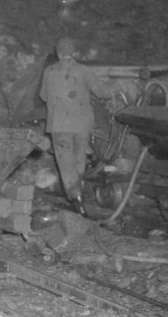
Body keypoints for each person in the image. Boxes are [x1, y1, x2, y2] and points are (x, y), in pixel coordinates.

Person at [39, 37, 114, 217]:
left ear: (58, 53)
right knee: (79, 159)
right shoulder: (83, 71)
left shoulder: (49, 72)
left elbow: (43, 95)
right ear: (73, 52)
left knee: (66, 163)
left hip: (59, 125)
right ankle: (78, 193)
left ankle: (75, 198)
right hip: (81, 124)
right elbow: (103, 92)